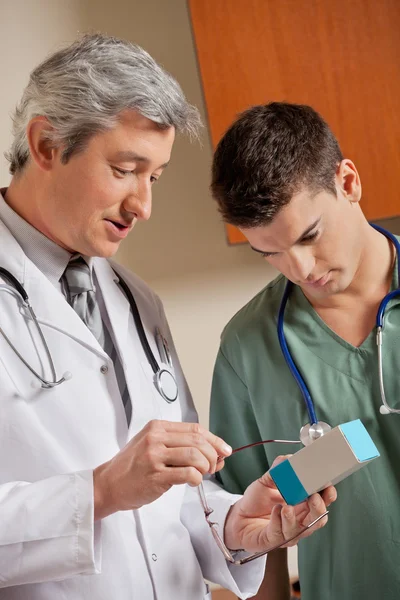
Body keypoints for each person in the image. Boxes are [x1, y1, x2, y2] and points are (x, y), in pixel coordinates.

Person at [0, 37, 333, 600]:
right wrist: (101, 490)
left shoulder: (136, 300)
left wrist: (234, 525)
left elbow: (167, 498)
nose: (143, 206)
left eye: (153, 177)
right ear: (46, 143)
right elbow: (120, 490)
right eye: (125, 169)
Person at [209, 101, 400, 600]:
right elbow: (249, 520)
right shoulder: (248, 347)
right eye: (268, 252)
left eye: (309, 235)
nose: (299, 268)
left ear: (349, 182)